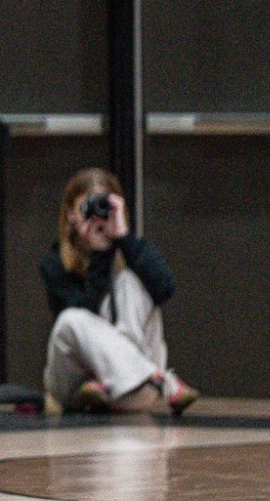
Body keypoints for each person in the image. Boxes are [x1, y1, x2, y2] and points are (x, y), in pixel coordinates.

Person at [40, 168, 198, 415]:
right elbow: (86, 311)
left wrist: (124, 237)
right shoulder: (54, 263)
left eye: (103, 206)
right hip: (77, 387)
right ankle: (160, 380)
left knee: (130, 281)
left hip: (128, 389)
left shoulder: (129, 250)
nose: (96, 215)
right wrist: (99, 255)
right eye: (87, 208)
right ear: (71, 213)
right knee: (69, 320)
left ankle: (132, 382)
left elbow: (165, 289)